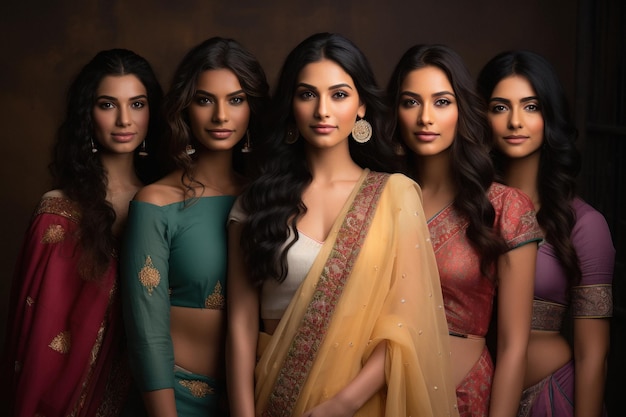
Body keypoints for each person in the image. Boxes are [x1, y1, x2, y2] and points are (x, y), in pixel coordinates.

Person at [226, 32, 459, 417]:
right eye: (307, 95)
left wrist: (341, 405)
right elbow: (240, 325)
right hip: (274, 395)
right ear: (291, 106)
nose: (323, 111)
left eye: (338, 95)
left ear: (362, 105)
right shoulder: (255, 204)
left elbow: (405, 325)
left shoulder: (395, 196)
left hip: (361, 403)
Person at [1, 48, 163, 417]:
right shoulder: (58, 213)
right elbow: (37, 343)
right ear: (86, 115)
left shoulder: (169, 202)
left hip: (162, 394)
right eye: (108, 105)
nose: (124, 120)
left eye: (137, 104)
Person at [386, 44, 543, 417]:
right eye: (411, 102)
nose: (426, 117)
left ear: (462, 111)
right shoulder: (380, 198)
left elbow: (513, 346)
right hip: (381, 394)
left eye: (441, 102)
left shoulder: (505, 207)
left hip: (464, 398)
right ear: (395, 112)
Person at [120, 37, 269, 417]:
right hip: (176, 401)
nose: (221, 115)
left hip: (262, 397)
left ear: (253, 106)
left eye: (236, 99)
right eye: (205, 100)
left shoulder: (267, 199)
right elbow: (146, 331)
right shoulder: (156, 202)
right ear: (185, 108)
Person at [477, 50, 614, 417]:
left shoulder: (584, 224)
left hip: (552, 398)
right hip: (468, 396)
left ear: (549, 116)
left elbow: (592, 356)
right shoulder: (468, 210)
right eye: (500, 107)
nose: (515, 121)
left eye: (531, 107)